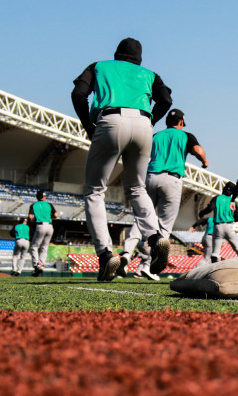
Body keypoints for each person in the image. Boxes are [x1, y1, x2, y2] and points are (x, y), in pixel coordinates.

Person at [71, 37, 172, 281]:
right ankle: (156, 237)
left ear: (117, 54)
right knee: (137, 188)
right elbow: (166, 100)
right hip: (143, 123)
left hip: (109, 120)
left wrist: (88, 125)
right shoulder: (150, 74)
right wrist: (150, 122)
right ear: (139, 59)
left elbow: (78, 94)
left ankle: (106, 254)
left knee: (95, 191)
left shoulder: (99, 66)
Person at [124, 108, 209, 276]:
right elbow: (198, 151)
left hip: (151, 177)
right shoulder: (186, 136)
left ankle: (126, 254)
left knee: (142, 217)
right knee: (164, 225)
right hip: (172, 179)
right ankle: (149, 265)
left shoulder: (156, 136)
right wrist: (205, 161)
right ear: (181, 122)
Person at [197, 181, 238, 261]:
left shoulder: (217, 198)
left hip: (217, 226)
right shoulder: (232, 201)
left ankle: (215, 256)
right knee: (236, 246)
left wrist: (202, 212)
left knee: (216, 250)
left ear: (224, 189)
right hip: (229, 225)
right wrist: (230, 217)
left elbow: (210, 208)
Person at [27, 190, 57, 277]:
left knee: (34, 246)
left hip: (40, 225)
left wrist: (32, 221)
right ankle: (42, 264)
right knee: (44, 246)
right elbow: (56, 215)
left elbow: (30, 217)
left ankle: (36, 264)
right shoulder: (49, 204)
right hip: (50, 226)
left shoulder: (33, 205)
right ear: (44, 197)